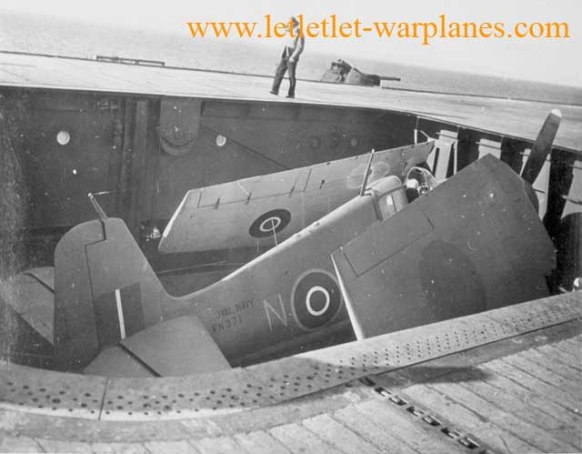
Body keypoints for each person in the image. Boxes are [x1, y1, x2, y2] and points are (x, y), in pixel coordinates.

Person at [270, 17, 304, 99]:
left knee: (291, 75)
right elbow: (285, 29)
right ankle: (275, 89)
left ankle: (291, 93)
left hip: (292, 53)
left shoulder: (299, 33)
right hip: (286, 51)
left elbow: (300, 47)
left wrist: (293, 57)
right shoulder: (290, 31)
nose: (288, 25)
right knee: (279, 71)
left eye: (290, 24)